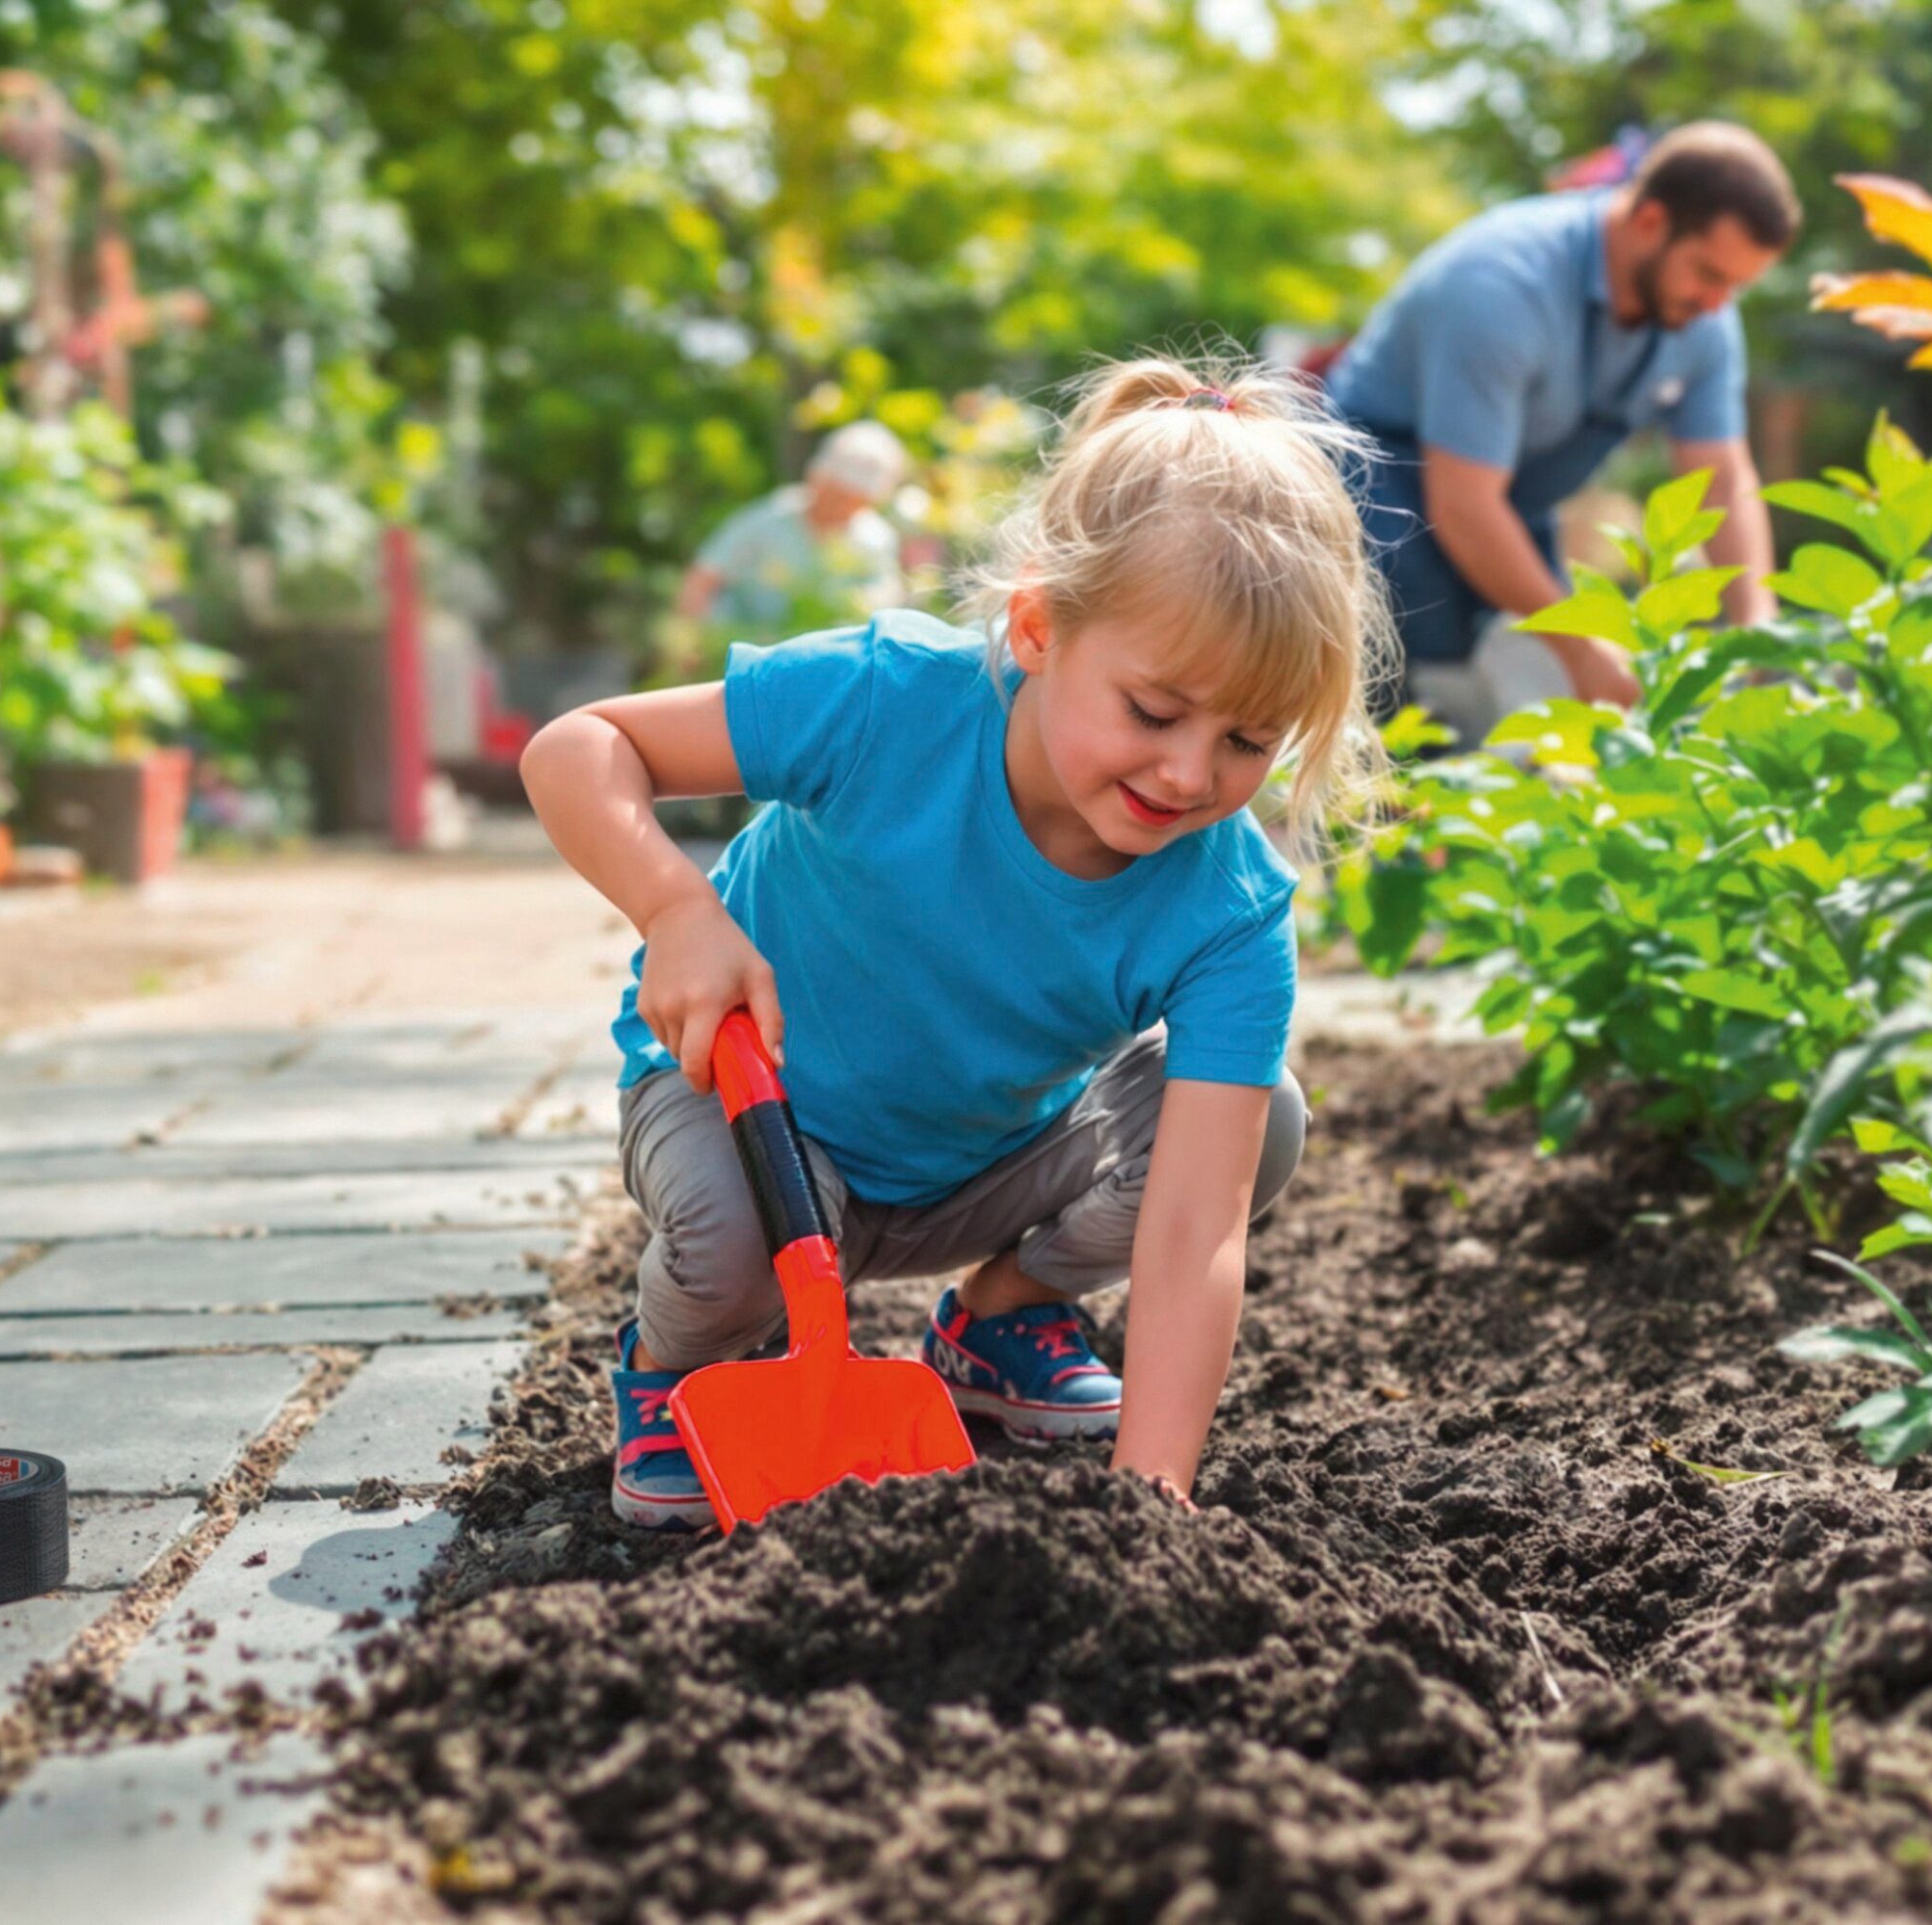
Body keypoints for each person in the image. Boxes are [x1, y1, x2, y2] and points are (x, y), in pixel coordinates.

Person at [521, 356, 1392, 1528]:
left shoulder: (1227, 904)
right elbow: (577, 750)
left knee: (1263, 1121)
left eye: (1250, 740)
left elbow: (1194, 1231)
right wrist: (678, 911)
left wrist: (1151, 1505)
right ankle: (679, 1377)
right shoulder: (888, 702)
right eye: (1152, 711)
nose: (1191, 773)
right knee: (724, 1248)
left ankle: (997, 1318)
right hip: (754, 1116)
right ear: (1035, 626)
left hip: (981, 1167)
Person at [1326, 121, 1797, 719]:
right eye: (1709, 274)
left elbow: (1723, 482)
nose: (1718, 304)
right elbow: (1464, 506)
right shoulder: (1503, 286)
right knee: (1413, 671)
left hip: (1506, 500)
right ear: (1649, 221)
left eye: (1736, 286)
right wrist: (1582, 653)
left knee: (1540, 702)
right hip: (1380, 484)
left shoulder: (1702, 320)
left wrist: (1758, 625)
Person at [674, 420, 911, 635]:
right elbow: (699, 583)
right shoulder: (765, 521)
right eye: (839, 494)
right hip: (742, 657)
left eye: (858, 499)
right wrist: (701, 640)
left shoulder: (877, 541)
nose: (845, 507)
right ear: (816, 478)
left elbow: (883, 607)